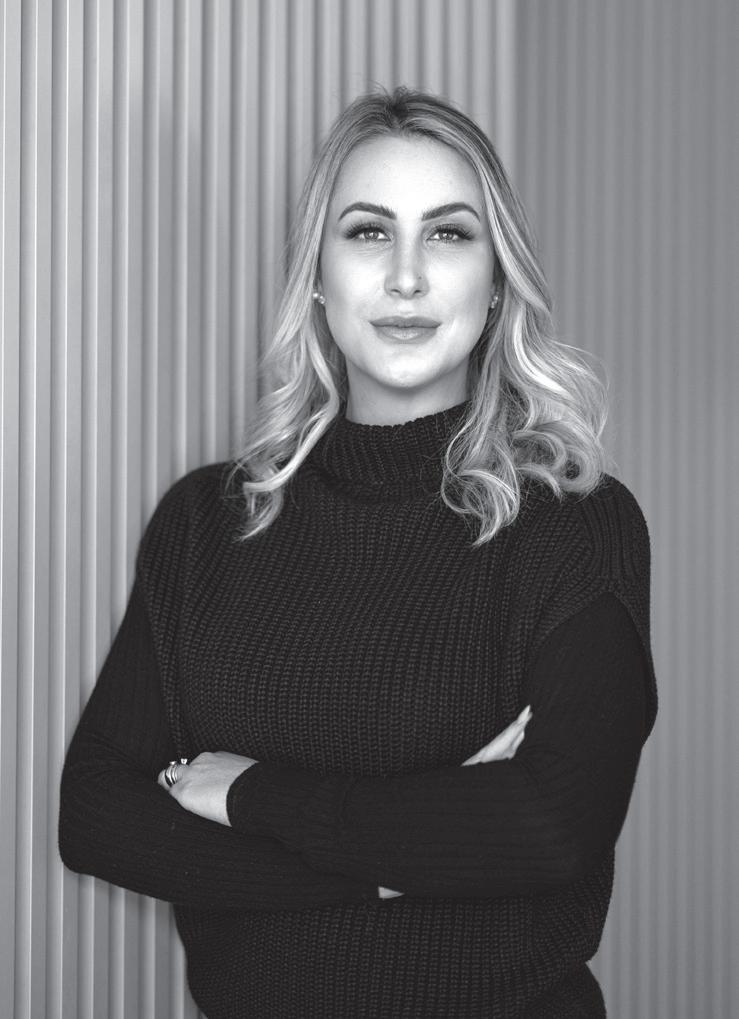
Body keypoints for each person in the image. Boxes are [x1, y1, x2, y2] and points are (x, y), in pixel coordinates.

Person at [59, 86, 657, 1018]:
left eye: (448, 234)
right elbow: (97, 814)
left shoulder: (573, 525)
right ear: (316, 276)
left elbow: (549, 827)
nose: (406, 276)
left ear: (496, 281)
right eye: (369, 232)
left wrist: (252, 794)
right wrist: (392, 862)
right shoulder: (208, 523)